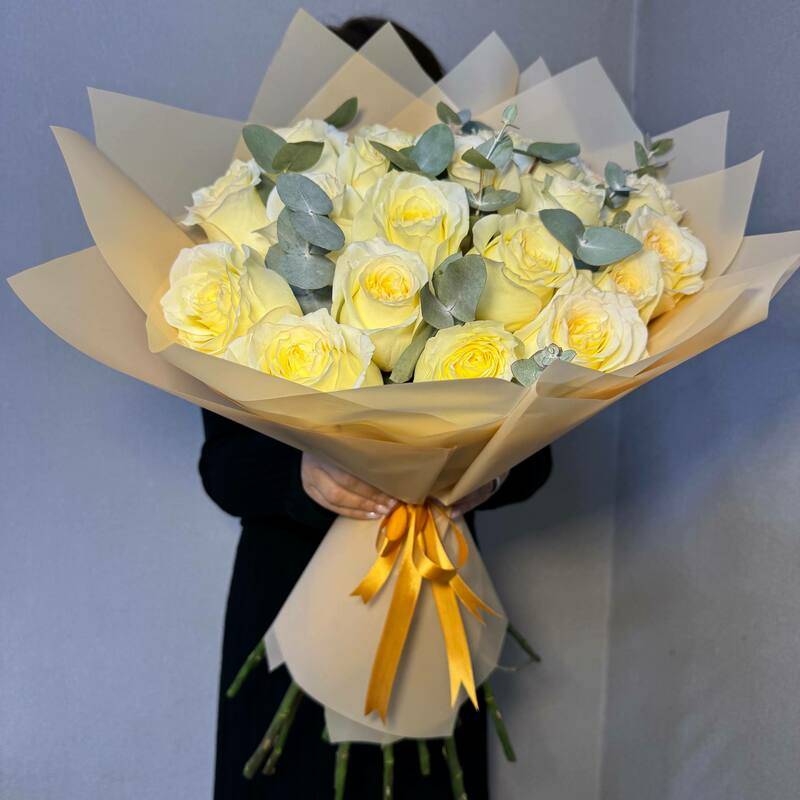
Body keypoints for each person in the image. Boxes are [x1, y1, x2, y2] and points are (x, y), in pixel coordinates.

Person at [202, 17, 553, 799]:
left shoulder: (480, 250)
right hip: (287, 599)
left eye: (401, 122)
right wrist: (301, 475)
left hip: (438, 590)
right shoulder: (250, 266)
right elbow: (221, 467)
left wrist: (485, 474)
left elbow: (543, 454)